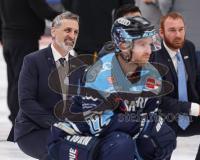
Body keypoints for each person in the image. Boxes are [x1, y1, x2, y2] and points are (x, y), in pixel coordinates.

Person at [48, 16, 176, 160]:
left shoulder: (152, 76)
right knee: (120, 144)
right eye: (142, 44)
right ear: (123, 46)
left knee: (163, 138)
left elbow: (149, 122)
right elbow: (99, 125)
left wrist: (148, 127)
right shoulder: (99, 74)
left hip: (113, 137)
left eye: (150, 44)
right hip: (73, 137)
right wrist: (141, 123)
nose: (149, 50)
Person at [150, 12, 200, 160]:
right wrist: (195, 108)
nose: (178, 35)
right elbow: (160, 101)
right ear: (162, 33)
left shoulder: (188, 47)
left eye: (181, 29)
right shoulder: (153, 57)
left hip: (189, 115)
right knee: (165, 136)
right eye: (172, 30)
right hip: (165, 116)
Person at [14, 11, 86, 160]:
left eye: (75, 32)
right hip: (35, 130)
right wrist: (57, 125)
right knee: (61, 153)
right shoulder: (33, 61)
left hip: (69, 131)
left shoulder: (80, 66)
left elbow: (83, 103)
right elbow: (26, 102)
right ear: (53, 30)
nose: (72, 36)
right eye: (67, 30)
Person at [0, 0, 60, 141]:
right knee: (21, 82)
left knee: (14, 81)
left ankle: (16, 120)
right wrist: (63, 17)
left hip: (9, 38)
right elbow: (42, 9)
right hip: (24, 38)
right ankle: (19, 122)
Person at [61, 0, 135, 64]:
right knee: (108, 70)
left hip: (85, 29)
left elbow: (66, 3)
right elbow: (128, 6)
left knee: (84, 70)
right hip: (107, 31)